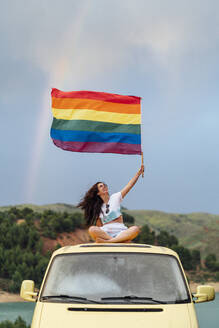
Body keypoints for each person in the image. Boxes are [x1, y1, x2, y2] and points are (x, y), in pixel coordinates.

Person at [78, 165, 144, 243]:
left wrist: (138, 174)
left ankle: (110, 242)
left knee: (135, 229)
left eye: (104, 185)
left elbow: (129, 186)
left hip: (121, 232)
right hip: (106, 233)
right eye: (101, 186)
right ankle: (118, 241)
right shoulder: (98, 208)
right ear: (98, 193)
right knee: (92, 229)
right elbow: (99, 227)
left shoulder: (115, 197)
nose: (104, 186)